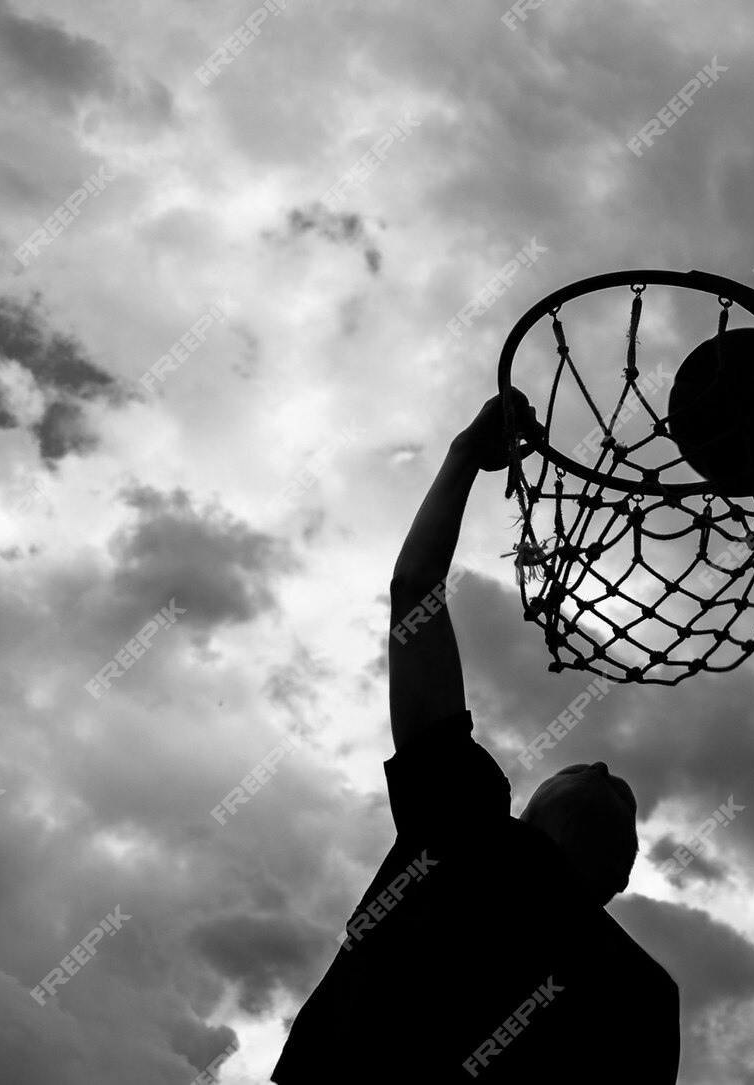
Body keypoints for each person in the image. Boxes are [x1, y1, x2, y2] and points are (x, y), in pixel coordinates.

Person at [272, 392, 681, 1083]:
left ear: (620, 876)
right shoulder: (467, 827)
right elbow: (414, 592)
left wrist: (467, 455)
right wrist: (462, 455)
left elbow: (413, 592)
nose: (605, 763)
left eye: (627, 807)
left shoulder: (642, 991)